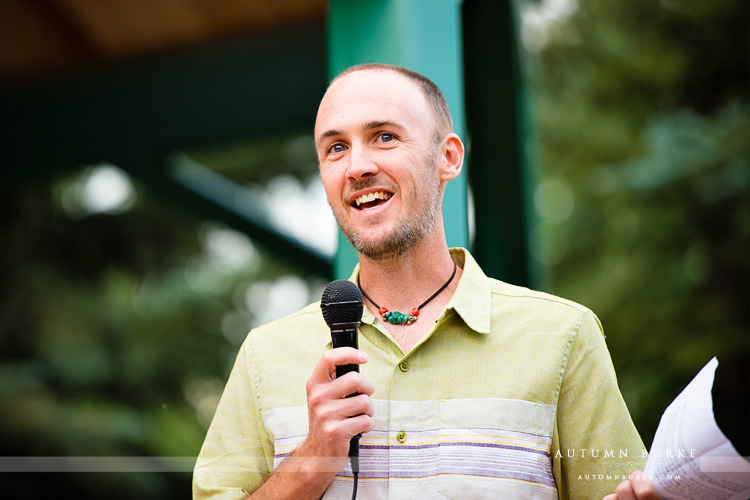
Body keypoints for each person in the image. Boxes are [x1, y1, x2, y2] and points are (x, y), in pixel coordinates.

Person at [193, 63, 661, 500]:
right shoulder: (264, 356)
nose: (357, 166)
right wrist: (313, 458)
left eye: (384, 137)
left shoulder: (562, 338)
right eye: (336, 147)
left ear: (449, 158)